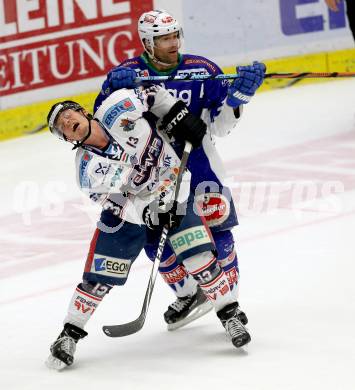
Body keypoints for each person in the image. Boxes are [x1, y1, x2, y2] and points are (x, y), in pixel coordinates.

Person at [45, 85, 252, 370]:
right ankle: (68, 335)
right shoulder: (87, 172)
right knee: (98, 279)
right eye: (62, 127)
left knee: (199, 259)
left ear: (82, 111)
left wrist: (177, 114)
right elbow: (118, 204)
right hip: (128, 217)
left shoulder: (118, 107)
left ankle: (230, 315)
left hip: (176, 190)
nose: (67, 122)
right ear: (67, 139)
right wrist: (148, 212)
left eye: (68, 115)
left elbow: (153, 94)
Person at [94, 9, 265, 329]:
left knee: (219, 234)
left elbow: (220, 127)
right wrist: (110, 89)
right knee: (153, 242)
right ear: (147, 42)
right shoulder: (128, 73)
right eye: (163, 39)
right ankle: (189, 293)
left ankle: (231, 303)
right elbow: (106, 124)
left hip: (201, 167)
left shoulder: (202, 69)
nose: (172, 43)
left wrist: (238, 96)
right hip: (152, 176)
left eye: (175, 36)